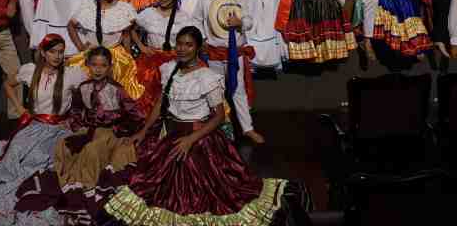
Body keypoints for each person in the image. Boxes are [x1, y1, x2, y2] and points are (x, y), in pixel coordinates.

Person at [101, 26, 310, 223]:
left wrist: (191, 140)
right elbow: (160, 104)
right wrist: (143, 131)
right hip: (174, 136)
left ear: (198, 48)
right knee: (153, 184)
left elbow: (218, 117)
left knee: (209, 191)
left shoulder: (208, 77)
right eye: (180, 43)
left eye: (188, 44)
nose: (182, 49)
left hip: (200, 137)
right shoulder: (168, 70)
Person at [0, 34, 87, 224]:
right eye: (53, 52)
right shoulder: (31, 71)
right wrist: (20, 108)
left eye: (61, 52)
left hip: (58, 130)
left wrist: (80, 119)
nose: (57, 56)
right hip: (35, 126)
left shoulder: (71, 74)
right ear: (43, 53)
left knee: (44, 162)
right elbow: (8, 84)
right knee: (14, 159)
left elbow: (94, 83)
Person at [50, 46, 145, 223]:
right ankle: (67, 186)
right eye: (94, 65)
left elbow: (136, 115)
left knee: (92, 150)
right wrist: (75, 127)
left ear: (109, 67)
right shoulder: (84, 87)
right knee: (63, 145)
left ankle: (88, 190)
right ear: (87, 65)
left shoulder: (116, 90)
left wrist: (123, 131)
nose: (98, 69)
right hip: (89, 129)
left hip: (109, 132)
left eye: (103, 65)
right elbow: (77, 111)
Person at [192, 0, 264, 144]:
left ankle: (248, 129)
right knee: (216, 91)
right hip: (214, 52)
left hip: (234, 52)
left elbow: (249, 22)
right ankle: (220, 130)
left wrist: (239, 22)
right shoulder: (204, 0)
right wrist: (201, 40)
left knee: (238, 90)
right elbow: (196, 21)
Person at [66, 0, 146, 102]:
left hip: (115, 56)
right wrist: (80, 46)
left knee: (115, 94)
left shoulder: (124, 8)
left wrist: (128, 55)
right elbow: (71, 25)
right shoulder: (88, 7)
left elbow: (126, 34)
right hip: (91, 54)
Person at [132, 0, 195, 115]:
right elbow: (130, 28)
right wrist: (141, 46)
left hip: (174, 59)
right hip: (152, 59)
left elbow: (193, 40)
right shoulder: (148, 13)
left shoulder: (183, 17)